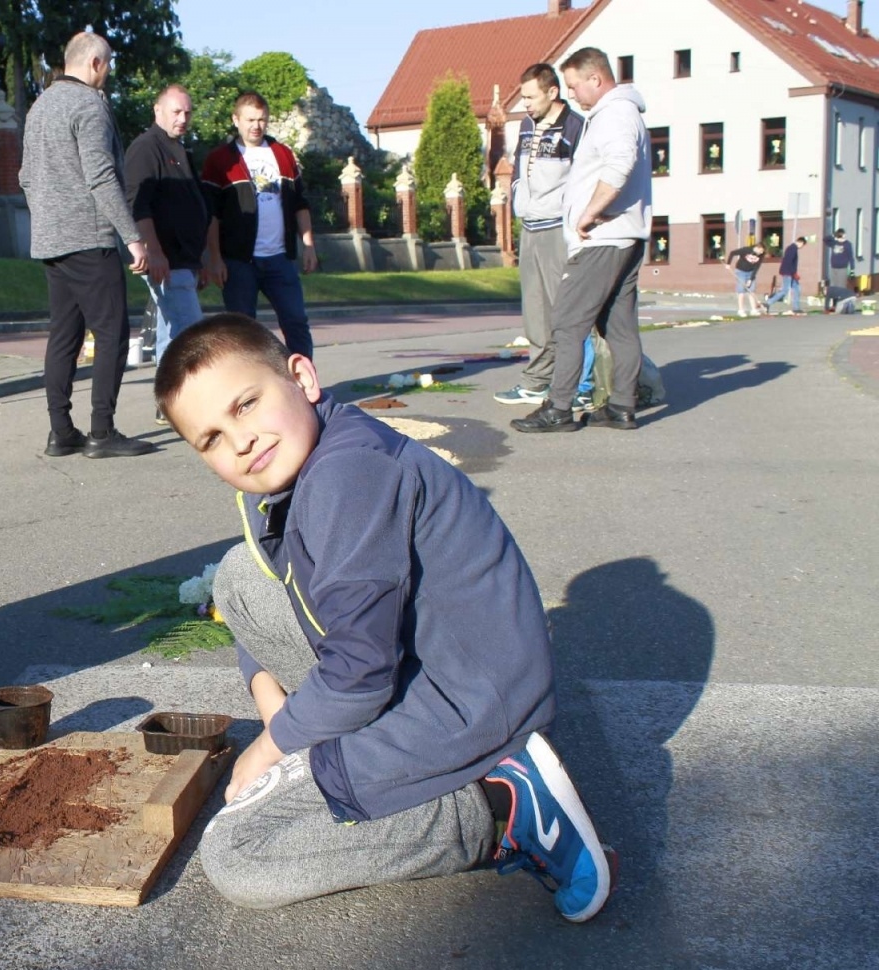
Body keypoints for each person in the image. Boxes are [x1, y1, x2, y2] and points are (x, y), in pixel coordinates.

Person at [154, 313, 616, 920]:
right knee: (241, 577)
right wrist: (283, 717)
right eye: (211, 438)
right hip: (435, 673)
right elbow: (294, 603)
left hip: (467, 707)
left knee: (238, 854)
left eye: (245, 404)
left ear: (302, 376)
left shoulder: (347, 478)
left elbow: (362, 674)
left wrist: (270, 749)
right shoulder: (310, 461)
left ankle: (496, 811)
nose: (239, 440)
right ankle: (410, 772)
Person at [20, 31, 154, 459]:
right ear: (95, 63)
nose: (108, 73)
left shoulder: (39, 107)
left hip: (51, 241)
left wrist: (46, 217)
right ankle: (102, 431)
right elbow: (100, 176)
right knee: (112, 333)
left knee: (64, 336)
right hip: (89, 238)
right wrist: (131, 236)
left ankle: (61, 431)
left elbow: (25, 176)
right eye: (108, 64)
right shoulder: (89, 106)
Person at [512, 47, 652, 434]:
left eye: (574, 86)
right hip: (625, 235)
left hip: (603, 238)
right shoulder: (618, 114)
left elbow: (619, 163)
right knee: (619, 326)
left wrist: (589, 212)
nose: (572, 94)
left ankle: (558, 408)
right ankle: (622, 406)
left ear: (596, 78)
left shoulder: (615, 115)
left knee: (568, 322)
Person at [494, 63, 587, 408]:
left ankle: (574, 385)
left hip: (556, 229)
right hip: (530, 227)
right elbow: (518, 169)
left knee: (563, 310)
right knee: (534, 312)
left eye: (531, 97)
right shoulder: (527, 125)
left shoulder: (576, 127)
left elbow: (583, 179)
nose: (526, 105)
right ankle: (536, 380)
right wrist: (519, 196)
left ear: (553, 92)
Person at [201, 92, 317, 358]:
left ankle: (305, 384)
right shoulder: (220, 160)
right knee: (242, 330)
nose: (256, 126)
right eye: (250, 119)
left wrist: (308, 245)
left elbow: (300, 204)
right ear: (236, 120)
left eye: (262, 120)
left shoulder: (283, 154)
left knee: (296, 321)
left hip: (279, 258)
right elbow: (212, 215)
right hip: (239, 261)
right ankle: (248, 389)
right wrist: (215, 258)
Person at [124, 84, 208, 356]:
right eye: (176, 112)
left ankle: (165, 396)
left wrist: (201, 259)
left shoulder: (179, 149)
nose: (183, 119)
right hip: (168, 262)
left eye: (187, 112)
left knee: (172, 337)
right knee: (191, 336)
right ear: (157, 110)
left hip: (185, 260)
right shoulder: (146, 148)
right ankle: (178, 397)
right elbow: (138, 205)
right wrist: (154, 252)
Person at [763, 236, 806, 315]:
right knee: (784, 291)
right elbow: (788, 262)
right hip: (788, 273)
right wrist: (793, 273)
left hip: (790, 273)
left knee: (797, 289)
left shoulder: (792, 248)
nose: (801, 247)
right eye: (802, 245)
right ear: (801, 243)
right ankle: (767, 303)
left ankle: (796, 308)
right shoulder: (792, 248)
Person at [724, 241, 768, 317]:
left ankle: (753, 310)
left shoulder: (761, 255)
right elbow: (732, 253)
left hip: (751, 272)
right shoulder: (746, 250)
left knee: (751, 290)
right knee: (741, 291)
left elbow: (757, 267)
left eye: (762, 252)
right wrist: (728, 264)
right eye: (760, 251)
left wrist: (751, 279)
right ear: (757, 248)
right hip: (740, 271)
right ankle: (741, 310)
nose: (760, 253)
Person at [826, 228, 855, 312]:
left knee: (841, 288)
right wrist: (833, 235)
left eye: (842, 235)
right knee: (834, 287)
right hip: (833, 268)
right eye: (840, 235)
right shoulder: (834, 243)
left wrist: (852, 270)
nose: (842, 237)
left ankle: (841, 306)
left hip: (842, 268)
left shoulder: (847, 244)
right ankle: (834, 305)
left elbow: (851, 257)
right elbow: (825, 239)